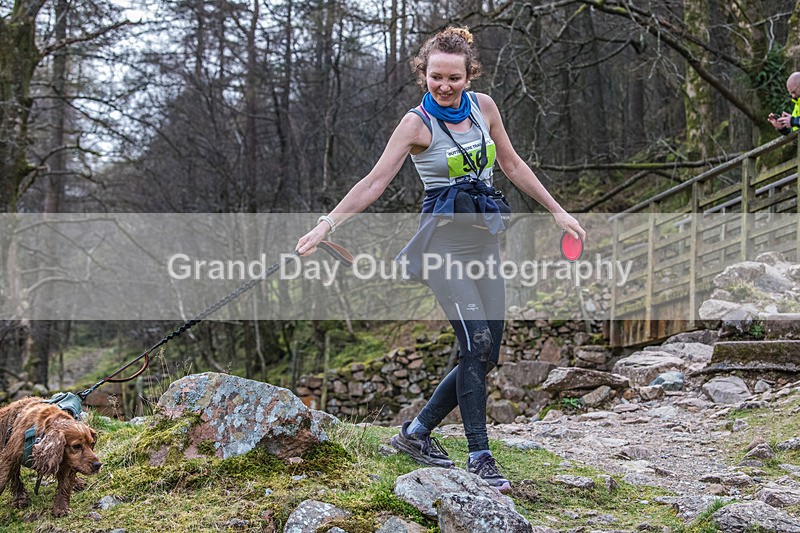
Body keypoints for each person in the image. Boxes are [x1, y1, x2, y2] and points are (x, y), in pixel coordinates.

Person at [295, 27, 585, 493]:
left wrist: (557, 211)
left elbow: (510, 163)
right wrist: (326, 225)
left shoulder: (484, 107)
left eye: (454, 77)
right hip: (442, 248)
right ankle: (480, 456)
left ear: (469, 75)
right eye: (435, 77)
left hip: (484, 242)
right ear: (423, 76)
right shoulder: (415, 125)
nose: (444, 86)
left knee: (487, 351)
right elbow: (373, 183)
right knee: (476, 343)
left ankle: (415, 432)